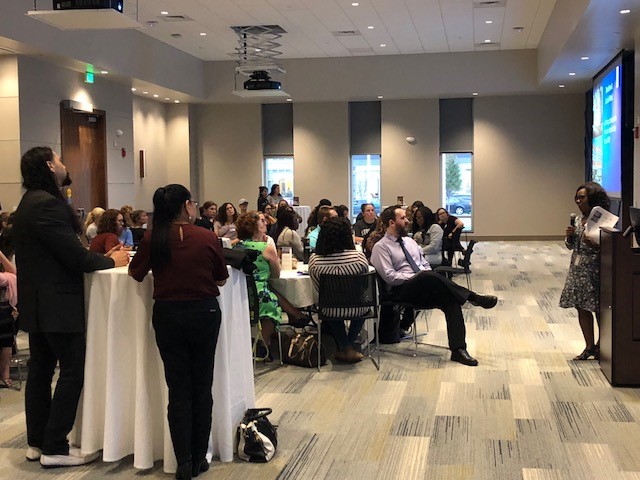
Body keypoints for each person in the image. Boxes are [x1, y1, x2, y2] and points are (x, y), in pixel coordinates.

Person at [12, 146, 128, 467]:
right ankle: (54, 447)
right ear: (50, 166)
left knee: (40, 370)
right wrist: (110, 260)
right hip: (57, 303)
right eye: (60, 159)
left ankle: (37, 442)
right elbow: (75, 257)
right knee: (73, 370)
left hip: (38, 303)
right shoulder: (47, 204)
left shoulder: (28, 202)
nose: (65, 164)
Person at [129, 184, 228, 480]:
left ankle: (182, 460)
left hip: (168, 315)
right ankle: (200, 457)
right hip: (204, 313)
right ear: (187, 205)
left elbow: (135, 273)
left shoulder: (152, 238)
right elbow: (221, 280)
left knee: (178, 388)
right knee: (202, 386)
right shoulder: (207, 237)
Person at [370, 206, 498, 366]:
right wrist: (416, 277)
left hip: (423, 287)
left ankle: (458, 350)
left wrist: (423, 276)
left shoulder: (410, 242)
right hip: (401, 291)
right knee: (426, 275)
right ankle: (472, 297)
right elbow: (390, 277)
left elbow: (424, 263)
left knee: (451, 300)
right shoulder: (381, 247)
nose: (407, 221)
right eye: (403, 218)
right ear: (391, 223)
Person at [235, 212, 310, 351]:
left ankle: (293, 316)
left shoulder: (236, 247)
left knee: (269, 289)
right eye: (262, 221)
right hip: (258, 295)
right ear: (253, 227)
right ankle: (264, 344)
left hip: (238, 293)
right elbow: (276, 274)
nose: (266, 223)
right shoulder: (265, 248)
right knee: (271, 300)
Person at [559, 181, 610, 361]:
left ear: (593, 198)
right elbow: (571, 246)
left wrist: (595, 245)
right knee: (581, 307)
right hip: (578, 268)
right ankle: (588, 346)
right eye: (577, 197)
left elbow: (611, 247)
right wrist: (570, 237)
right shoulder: (580, 219)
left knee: (599, 309)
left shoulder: (603, 220)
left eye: (582, 197)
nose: (578, 201)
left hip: (595, 270)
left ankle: (601, 346)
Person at [308, 217, 369, 363]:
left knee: (331, 308)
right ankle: (348, 346)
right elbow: (364, 285)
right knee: (363, 308)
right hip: (357, 308)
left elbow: (318, 288)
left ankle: (344, 347)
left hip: (329, 308)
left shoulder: (315, 260)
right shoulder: (359, 257)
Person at [0, 249, 17, 389]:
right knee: (6, 344)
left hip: (4, 311)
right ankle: (5, 375)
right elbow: (13, 273)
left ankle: (5, 374)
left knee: (7, 344)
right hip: (4, 310)